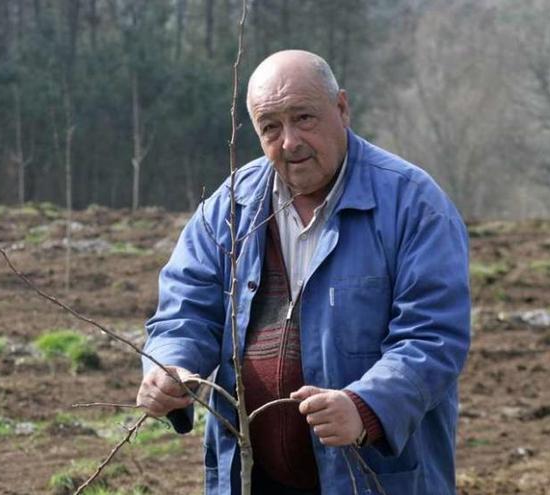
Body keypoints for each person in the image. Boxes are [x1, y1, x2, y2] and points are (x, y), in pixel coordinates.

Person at [135, 50, 471, 495]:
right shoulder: (231, 208)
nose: (289, 141)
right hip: (257, 478)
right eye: (270, 127)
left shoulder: (412, 205)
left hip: (373, 480)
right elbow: (187, 307)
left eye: (304, 117)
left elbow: (433, 337)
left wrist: (366, 405)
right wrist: (170, 365)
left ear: (342, 109)